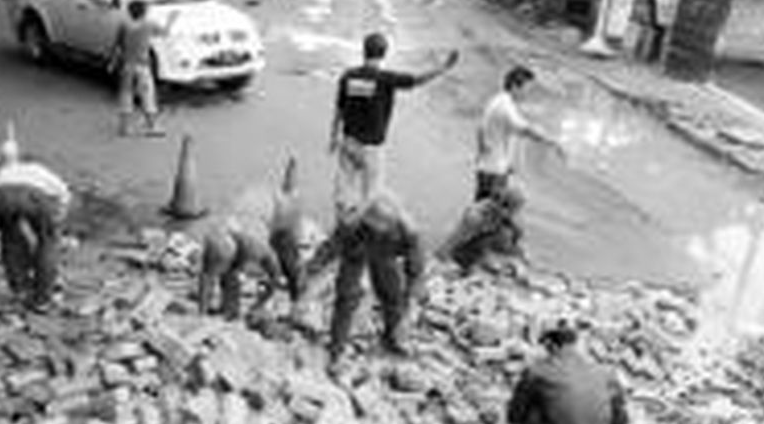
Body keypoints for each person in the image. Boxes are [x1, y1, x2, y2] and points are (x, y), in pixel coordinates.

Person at [330, 33, 458, 218]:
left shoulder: (348, 77)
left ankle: (340, 228)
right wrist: (443, 68)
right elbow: (418, 80)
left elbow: (339, 109)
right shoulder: (386, 79)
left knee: (343, 193)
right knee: (371, 196)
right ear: (384, 54)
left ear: (364, 51)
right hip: (372, 149)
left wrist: (333, 137)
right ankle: (362, 235)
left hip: (349, 143)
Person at [306, 191, 426, 372]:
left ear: (391, 225)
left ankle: (392, 340)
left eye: (379, 230)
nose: (374, 233)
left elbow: (414, 273)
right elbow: (331, 248)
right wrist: (311, 269)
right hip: (356, 250)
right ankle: (336, 350)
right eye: (371, 228)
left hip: (386, 254)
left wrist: (407, 314)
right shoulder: (351, 224)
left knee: (392, 295)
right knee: (346, 298)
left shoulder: (408, 232)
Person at [507, 321, 629, 424]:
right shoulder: (606, 373)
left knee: (532, 408)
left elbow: (514, 418)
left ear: (551, 346)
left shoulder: (536, 372)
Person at [198, 157, 305, 321]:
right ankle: (230, 312)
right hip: (252, 206)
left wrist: (261, 302)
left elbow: (274, 274)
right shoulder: (213, 238)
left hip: (282, 211)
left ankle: (297, 304)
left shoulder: (256, 244)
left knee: (290, 261)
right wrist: (201, 315)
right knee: (228, 271)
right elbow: (207, 276)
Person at [0, 123, 72, 312]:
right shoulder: (36, 169)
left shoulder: (0, 174)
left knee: (10, 239)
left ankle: (20, 288)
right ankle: (42, 298)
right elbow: (63, 192)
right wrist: (58, 218)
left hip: (1, 194)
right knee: (47, 242)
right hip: (33, 195)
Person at [474, 65, 565, 202]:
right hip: (494, 171)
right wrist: (553, 141)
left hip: (490, 167)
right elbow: (526, 130)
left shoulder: (497, 100)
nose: (528, 94)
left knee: (484, 209)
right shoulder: (506, 106)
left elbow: (480, 128)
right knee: (490, 211)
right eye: (527, 89)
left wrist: (485, 153)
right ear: (515, 86)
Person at [112, 0, 179, 138]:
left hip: (127, 65)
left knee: (126, 94)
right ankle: (152, 126)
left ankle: (124, 127)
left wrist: (112, 62)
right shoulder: (149, 24)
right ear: (143, 12)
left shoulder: (124, 25)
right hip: (142, 65)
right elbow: (165, 32)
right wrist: (172, 19)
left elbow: (118, 45)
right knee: (147, 95)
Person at [437, 184, 525, 273]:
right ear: (505, 206)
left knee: (509, 236)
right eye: (514, 210)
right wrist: (442, 261)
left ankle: (485, 261)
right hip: (461, 253)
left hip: (478, 248)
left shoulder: (499, 212)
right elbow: (452, 241)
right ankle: (470, 263)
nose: (514, 214)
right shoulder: (475, 217)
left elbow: (515, 232)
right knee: (503, 235)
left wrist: (516, 238)